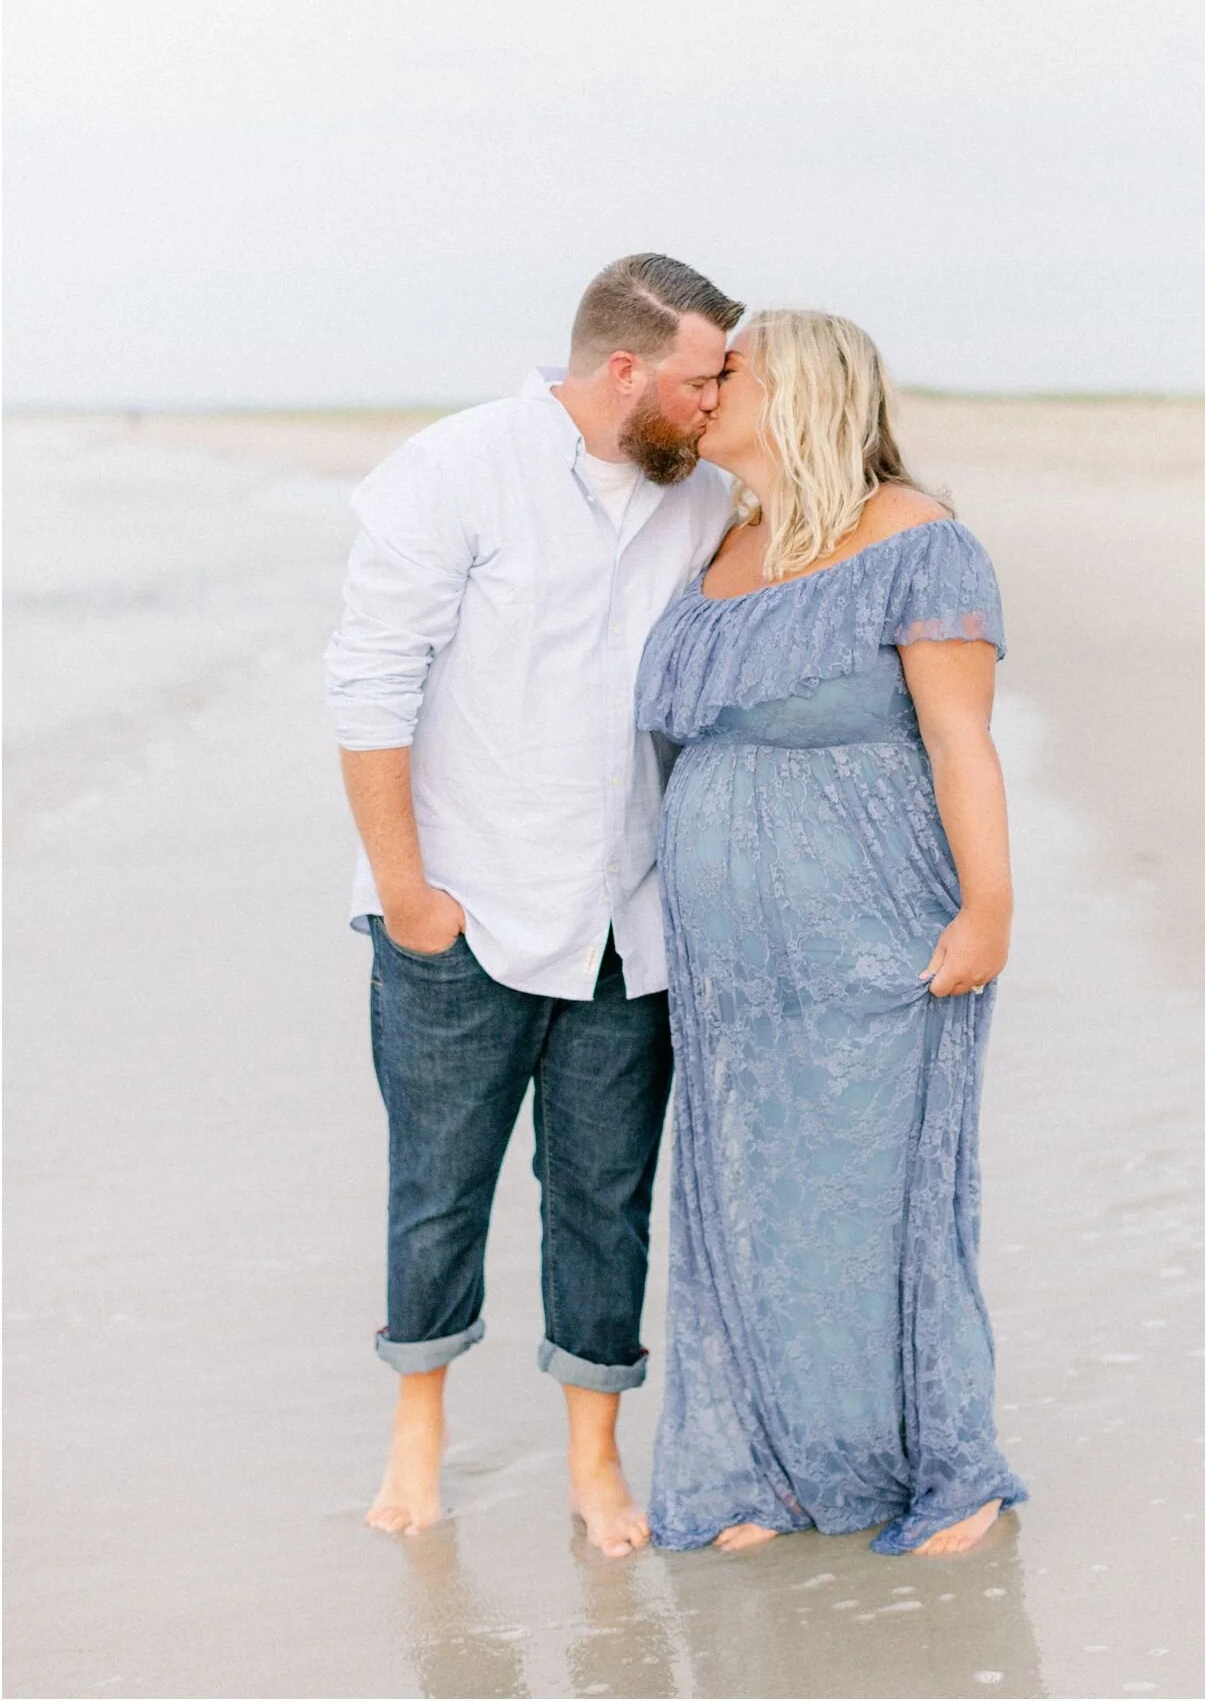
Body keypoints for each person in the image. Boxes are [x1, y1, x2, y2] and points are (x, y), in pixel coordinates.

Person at [324, 253, 743, 1552]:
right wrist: (408, 897)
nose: (716, 400)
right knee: (439, 1187)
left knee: (604, 1198)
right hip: (465, 909)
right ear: (624, 369)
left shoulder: (702, 496)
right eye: (700, 378)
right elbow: (369, 684)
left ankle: (593, 1459)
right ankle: (418, 1431)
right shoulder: (455, 468)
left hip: (630, 917)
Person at [635, 309, 1028, 1557]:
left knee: (878, 1197)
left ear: (802, 390)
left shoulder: (919, 539)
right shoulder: (723, 541)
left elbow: (961, 741)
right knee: (753, 1192)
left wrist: (989, 907)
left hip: (877, 923)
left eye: (731, 372)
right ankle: (776, 1466)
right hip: (731, 961)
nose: (708, 391)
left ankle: (946, 1470)